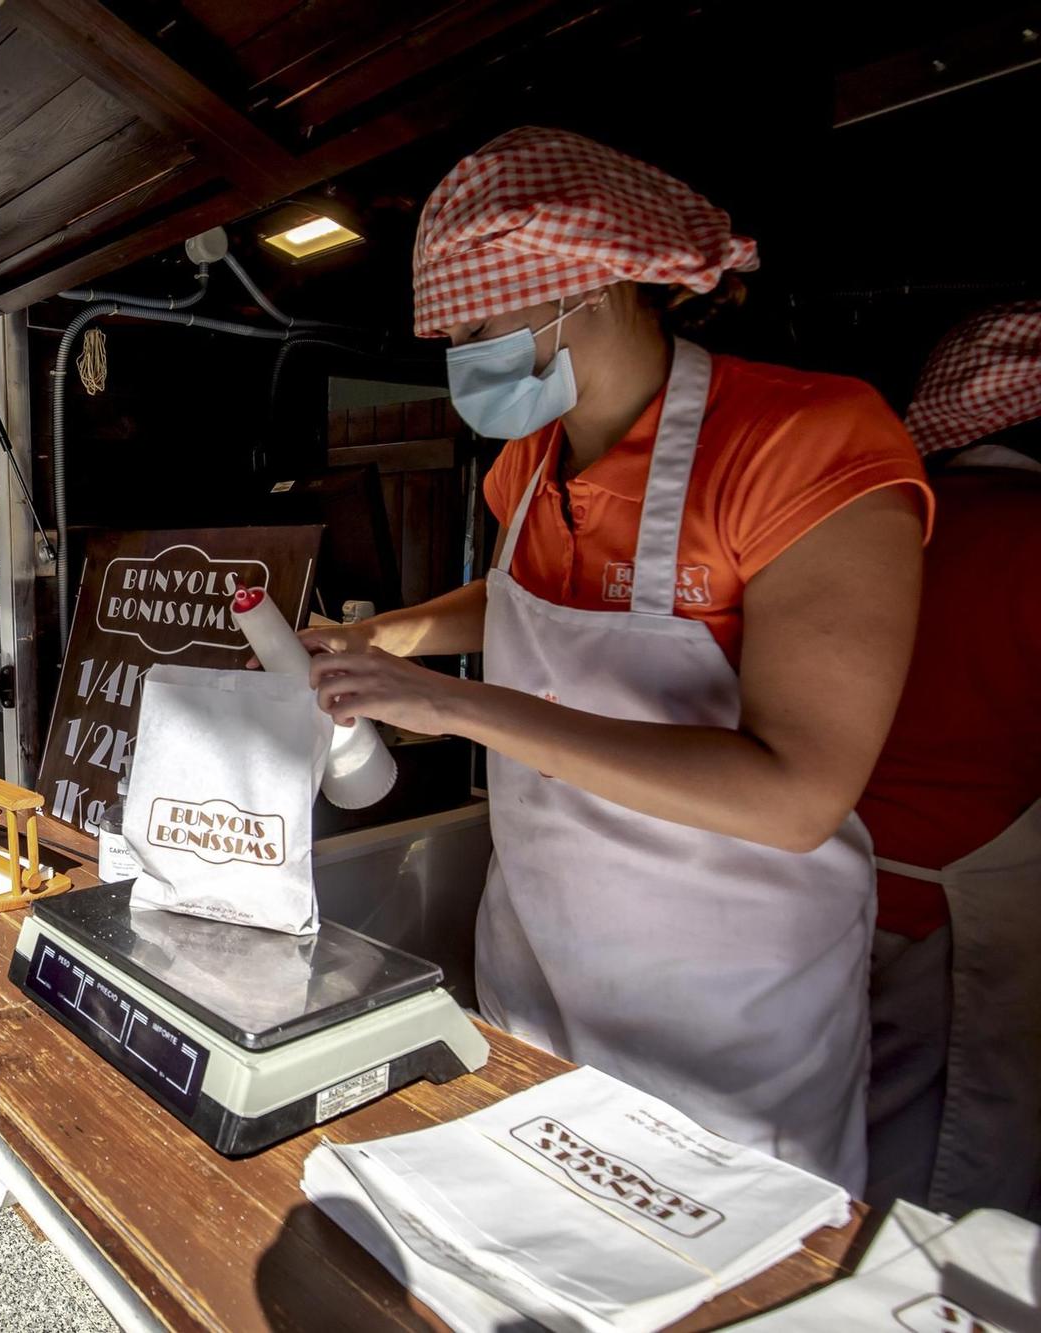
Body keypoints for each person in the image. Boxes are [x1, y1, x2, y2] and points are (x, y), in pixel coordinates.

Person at [301, 128, 929, 1190]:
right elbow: (514, 598)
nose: (461, 352)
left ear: (581, 289)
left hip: (725, 1009)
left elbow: (795, 796)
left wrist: (455, 709)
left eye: (478, 322)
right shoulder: (524, 463)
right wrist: (385, 635)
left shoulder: (805, 445)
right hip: (537, 959)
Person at [857, 304, 1041, 1218]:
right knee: (943, 1177)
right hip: (966, 914)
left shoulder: (874, 530)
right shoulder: (1031, 538)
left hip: (819, 887)